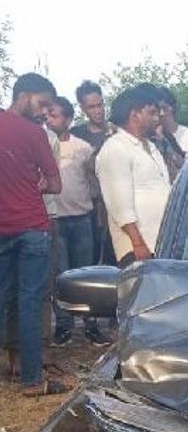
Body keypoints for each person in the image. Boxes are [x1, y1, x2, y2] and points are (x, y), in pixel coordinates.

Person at [0, 73, 67, 396]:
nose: (43, 113)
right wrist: (36, 183)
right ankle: (32, 381)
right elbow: (55, 185)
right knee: (29, 302)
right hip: (33, 227)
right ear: (23, 95)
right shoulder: (34, 133)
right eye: (42, 104)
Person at [46, 97, 111, 346]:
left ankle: (91, 325)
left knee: (86, 274)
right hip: (55, 219)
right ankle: (64, 326)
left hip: (82, 218)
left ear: (68, 119)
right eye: (48, 115)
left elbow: (95, 179)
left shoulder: (83, 148)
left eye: (55, 115)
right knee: (61, 275)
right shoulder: (43, 144)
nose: (49, 120)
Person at [96, 84, 171, 265]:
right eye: (152, 112)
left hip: (161, 243)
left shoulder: (150, 147)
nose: (157, 118)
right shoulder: (115, 148)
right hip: (139, 248)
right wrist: (138, 244)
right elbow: (119, 205)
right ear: (135, 114)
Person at [72, 80, 114, 263]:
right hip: (90, 206)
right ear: (83, 109)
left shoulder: (117, 130)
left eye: (100, 105)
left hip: (115, 201)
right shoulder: (76, 135)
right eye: (92, 107)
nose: (98, 111)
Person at [158, 87, 188, 154]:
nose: (161, 113)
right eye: (157, 109)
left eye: (164, 108)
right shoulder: (151, 139)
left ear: (172, 107)